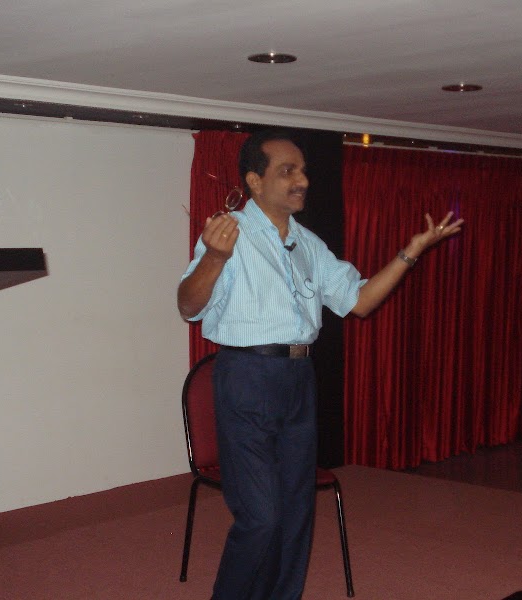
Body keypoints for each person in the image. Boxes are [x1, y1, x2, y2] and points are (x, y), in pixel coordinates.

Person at [178, 129, 463, 600]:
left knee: (295, 514)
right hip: (247, 377)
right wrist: (213, 257)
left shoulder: (308, 243)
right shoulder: (230, 234)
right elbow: (188, 305)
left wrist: (411, 252)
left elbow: (360, 301)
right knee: (261, 517)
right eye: (288, 171)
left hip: (298, 379)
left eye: (304, 170)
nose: (303, 180)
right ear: (254, 180)